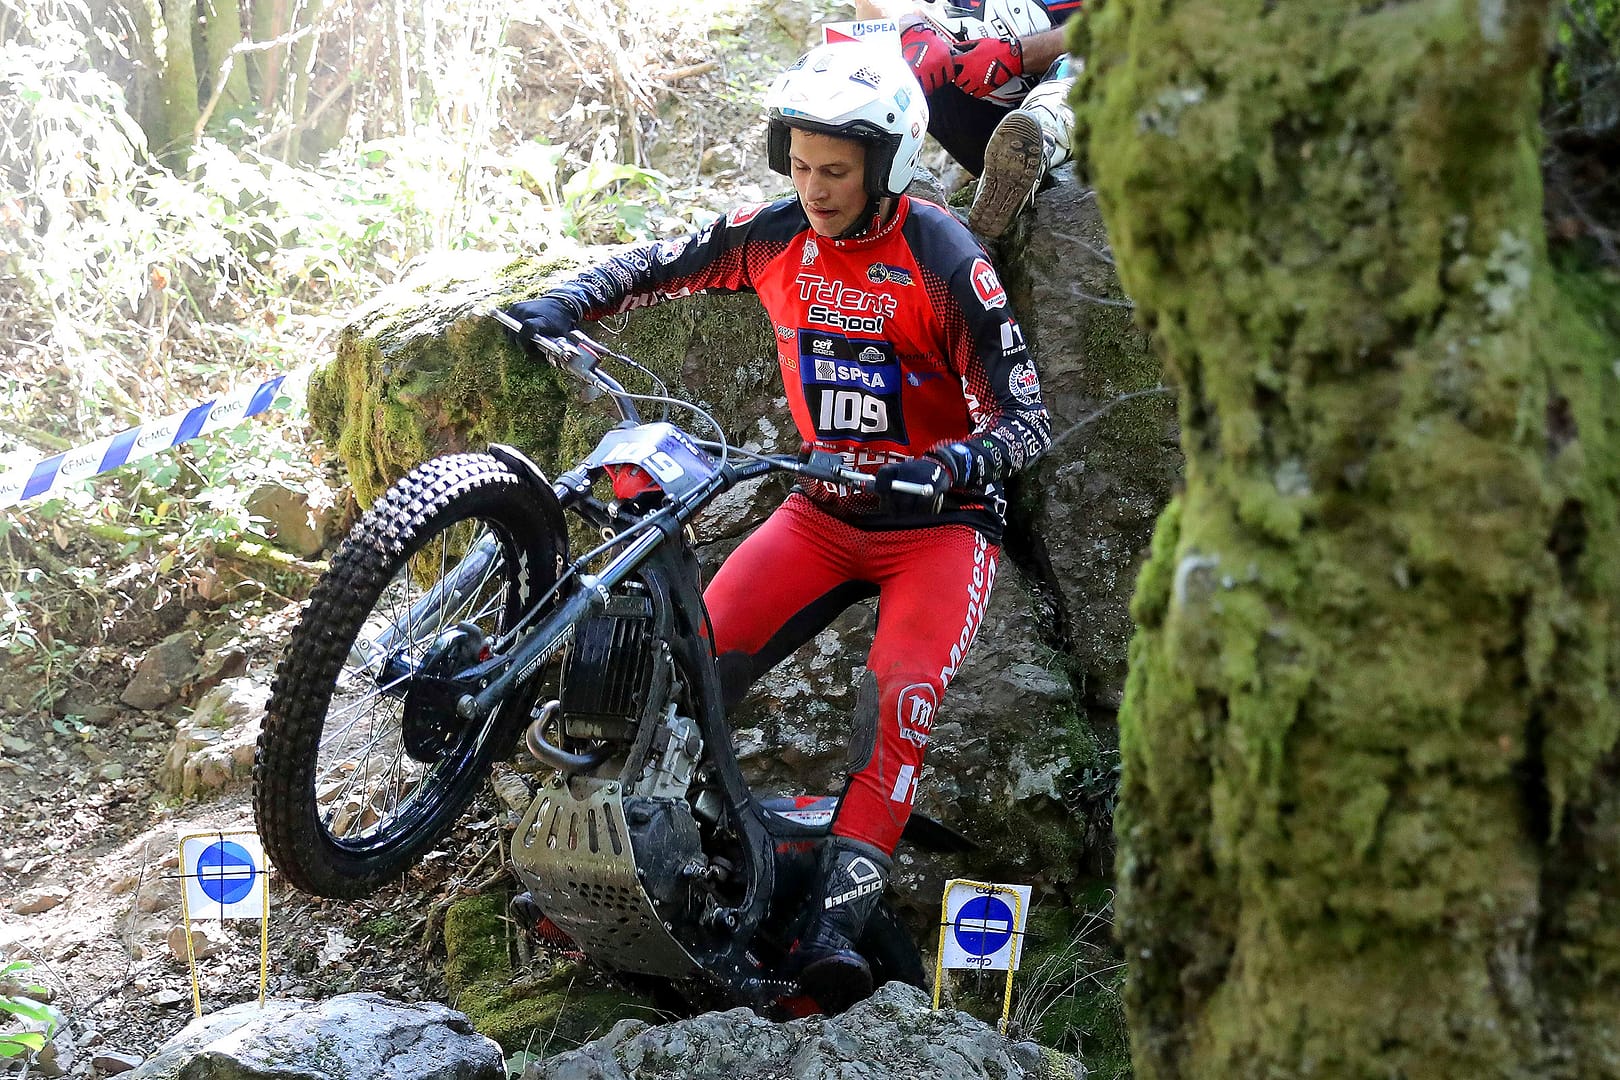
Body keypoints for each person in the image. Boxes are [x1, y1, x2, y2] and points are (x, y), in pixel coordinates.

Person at [500, 39, 1050, 1013]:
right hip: (821, 510)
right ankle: (640, 874)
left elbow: (1027, 419)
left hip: (939, 525)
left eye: (835, 171)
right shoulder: (774, 235)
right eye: (798, 164)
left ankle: (834, 926)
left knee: (898, 701)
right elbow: (662, 263)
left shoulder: (943, 257)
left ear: (889, 167)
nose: (814, 186)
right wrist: (570, 301)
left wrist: (955, 462)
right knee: (687, 670)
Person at [856, 0, 1082, 239]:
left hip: (1082, 94)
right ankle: (860, 192)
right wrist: (910, 29)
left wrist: (1019, 53)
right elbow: (871, 6)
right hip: (978, 109)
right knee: (891, 60)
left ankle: (1036, 143)